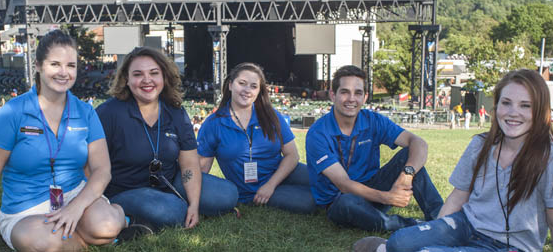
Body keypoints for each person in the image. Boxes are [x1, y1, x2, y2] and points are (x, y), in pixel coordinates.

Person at [0, 30, 142, 250]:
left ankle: (118, 221)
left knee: (105, 225)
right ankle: (87, 239)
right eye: (55, 64)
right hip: (26, 209)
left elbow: (102, 170)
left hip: (76, 196)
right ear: (38, 65)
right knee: (43, 242)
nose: (64, 73)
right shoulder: (10, 114)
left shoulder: (86, 112)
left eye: (71, 66)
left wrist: (75, 208)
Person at [355, 69, 553, 252]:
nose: (513, 112)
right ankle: (387, 248)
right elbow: (458, 196)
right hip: (465, 224)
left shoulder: (552, 159)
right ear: (496, 107)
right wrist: (437, 232)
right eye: (506, 103)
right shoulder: (481, 145)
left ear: (540, 110)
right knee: (400, 241)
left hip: (509, 246)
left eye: (526, 105)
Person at [96, 47, 237, 232]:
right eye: (138, 74)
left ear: (164, 77)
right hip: (125, 189)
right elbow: (91, 164)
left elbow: (189, 165)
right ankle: (130, 216)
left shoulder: (175, 111)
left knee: (228, 195)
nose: (147, 80)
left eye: (154, 73)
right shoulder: (109, 112)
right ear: (127, 80)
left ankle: (173, 206)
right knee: (172, 212)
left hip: (168, 180)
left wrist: (194, 205)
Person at [305, 65, 443, 232]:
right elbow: (344, 185)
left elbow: (418, 142)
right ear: (333, 95)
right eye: (344, 92)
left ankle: (441, 219)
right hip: (339, 201)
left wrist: (407, 174)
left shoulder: (373, 120)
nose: (351, 99)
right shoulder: (318, 133)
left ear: (365, 97)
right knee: (347, 201)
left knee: (409, 155)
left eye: (358, 93)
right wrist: (388, 197)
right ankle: (412, 225)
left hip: (373, 190)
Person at [197, 62, 316, 214]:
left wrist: (271, 185)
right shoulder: (213, 123)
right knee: (309, 203)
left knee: (323, 181)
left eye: (254, 86)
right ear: (231, 85)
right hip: (249, 192)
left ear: (259, 91)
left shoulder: (271, 116)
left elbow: (292, 155)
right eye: (242, 83)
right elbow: (202, 169)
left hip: (282, 173)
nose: (247, 90)